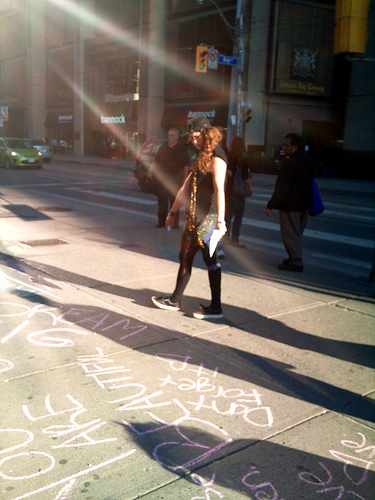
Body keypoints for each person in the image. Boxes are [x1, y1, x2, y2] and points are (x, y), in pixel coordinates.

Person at [151, 117, 227, 319]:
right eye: (192, 138)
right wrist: (173, 211)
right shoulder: (202, 155)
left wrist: (221, 222)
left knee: (210, 260)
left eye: (196, 137)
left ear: (206, 133)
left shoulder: (217, 156)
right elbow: (186, 185)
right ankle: (175, 300)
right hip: (194, 217)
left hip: (209, 218)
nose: (194, 141)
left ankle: (216, 307)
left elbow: (220, 190)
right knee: (184, 256)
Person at [266, 133, 314, 272]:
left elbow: (283, 186)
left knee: (290, 234)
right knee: (297, 233)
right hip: (305, 204)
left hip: (291, 204)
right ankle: (293, 257)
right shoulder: (307, 159)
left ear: (294, 147)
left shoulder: (291, 162)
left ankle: (296, 261)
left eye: (286, 145)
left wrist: (272, 203)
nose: (283, 147)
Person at [147, 127, 189, 228]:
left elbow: (185, 165)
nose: (170, 137)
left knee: (174, 200)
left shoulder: (181, 149)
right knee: (162, 200)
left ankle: (174, 223)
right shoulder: (163, 146)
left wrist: (185, 179)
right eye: (169, 135)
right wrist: (150, 170)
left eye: (172, 135)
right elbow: (156, 160)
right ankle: (161, 222)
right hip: (163, 177)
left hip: (175, 176)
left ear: (177, 137)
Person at [223, 136, 253, 248]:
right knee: (238, 216)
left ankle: (225, 238)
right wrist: (250, 186)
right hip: (238, 192)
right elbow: (245, 176)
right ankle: (235, 240)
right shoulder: (242, 158)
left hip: (228, 190)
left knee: (227, 216)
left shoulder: (228, 157)